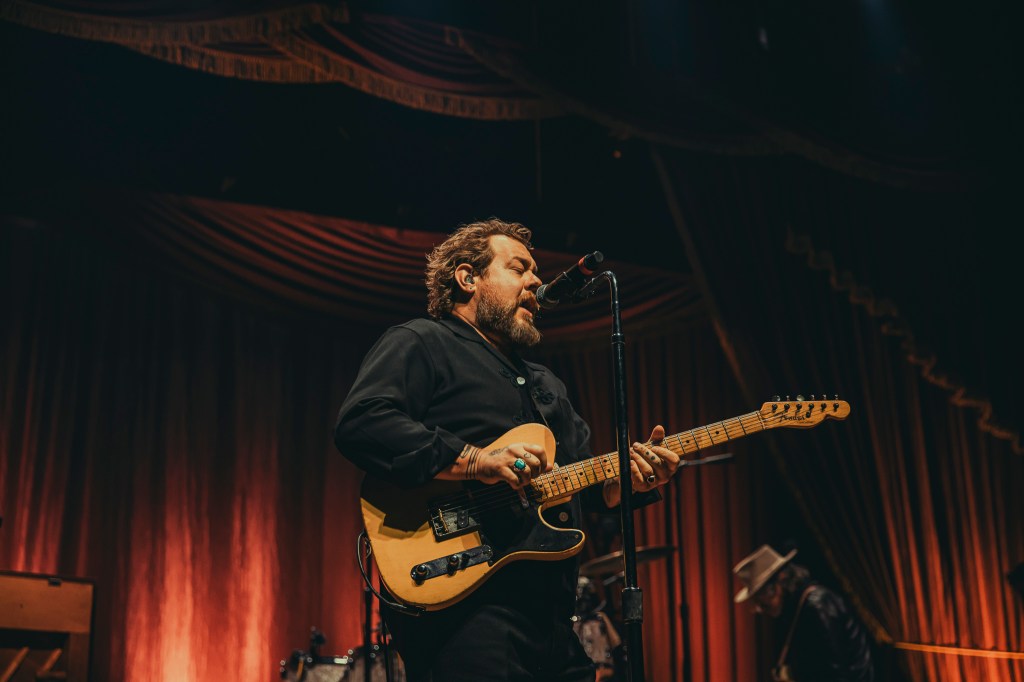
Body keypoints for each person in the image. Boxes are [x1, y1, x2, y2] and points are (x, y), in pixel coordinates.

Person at [334, 219, 680, 681]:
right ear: (467, 278)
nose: (536, 281)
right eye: (520, 268)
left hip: (552, 622)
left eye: (535, 272)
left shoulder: (546, 384)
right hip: (465, 614)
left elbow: (586, 486)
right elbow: (363, 422)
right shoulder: (422, 341)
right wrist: (476, 461)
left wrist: (628, 482)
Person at [733, 544, 875, 682]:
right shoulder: (798, 609)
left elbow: (836, 673)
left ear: (781, 581)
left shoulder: (817, 607)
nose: (759, 608)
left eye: (762, 599)